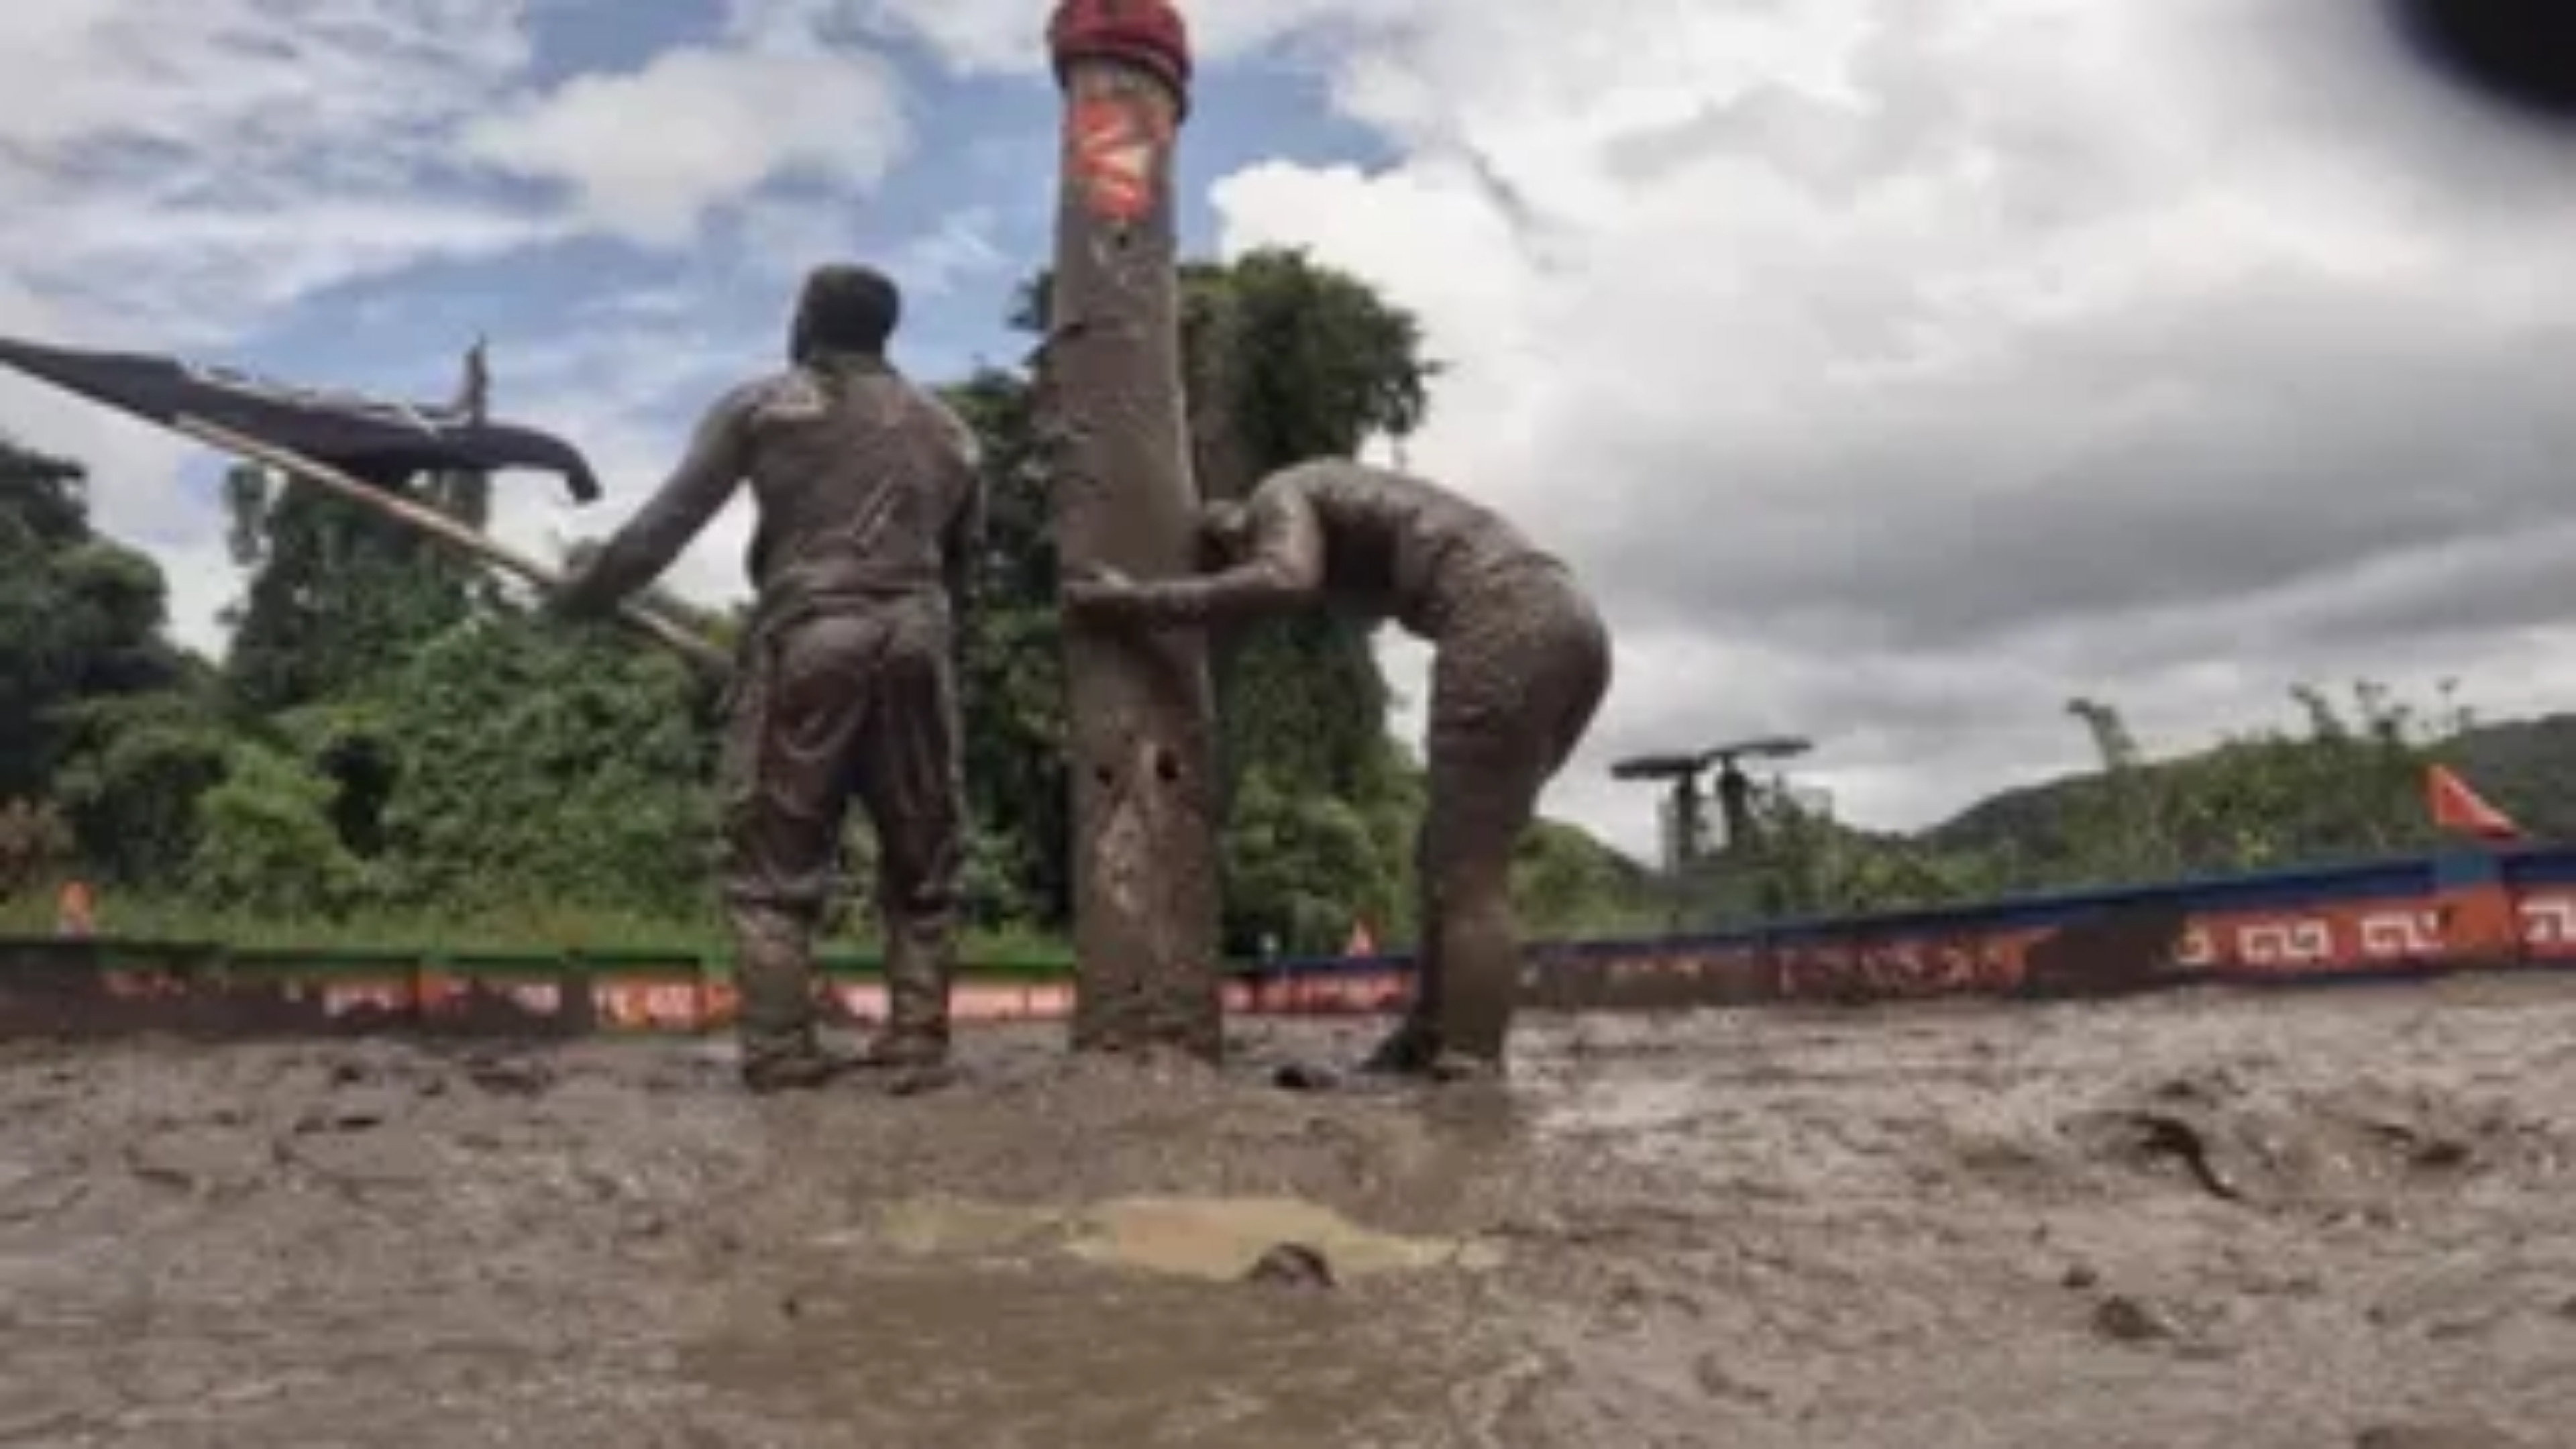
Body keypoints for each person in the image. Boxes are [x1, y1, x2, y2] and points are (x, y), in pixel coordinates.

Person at [551, 263, 983, 1093]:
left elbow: (662, 529)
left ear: (807, 322)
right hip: (920, 642)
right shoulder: (954, 434)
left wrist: (588, 592)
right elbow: (964, 572)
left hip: (812, 636)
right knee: (924, 860)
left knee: (775, 863)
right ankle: (918, 1039)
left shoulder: (761, 407)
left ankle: (782, 1048)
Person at [1065, 459, 1611, 1080]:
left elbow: (1285, 578)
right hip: (1575, 625)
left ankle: (1470, 1068)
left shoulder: (1278, 493)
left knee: (1468, 871)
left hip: (1509, 618)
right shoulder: (1349, 508)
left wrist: (1138, 604)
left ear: (1235, 534)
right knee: (1450, 854)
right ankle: (1428, 1038)